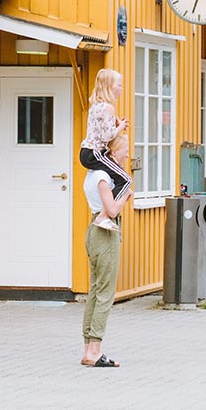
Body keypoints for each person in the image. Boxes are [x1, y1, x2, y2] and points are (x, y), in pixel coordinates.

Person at [81, 142, 126, 367]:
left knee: (95, 290)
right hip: (105, 233)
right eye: (125, 153)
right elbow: (112, 210)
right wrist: (126, 197)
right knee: (105, 292)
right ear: (113, 153)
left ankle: (88, 347)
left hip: (93, 230)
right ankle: (95, 350)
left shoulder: (92, 175)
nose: (126, 157)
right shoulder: (103, 178)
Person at [78, 69, 131, 207]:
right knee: (125, 180)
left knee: (117, 176)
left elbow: (101, 129)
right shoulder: (108, 107)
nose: (121, 88)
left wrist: (116, 123)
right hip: (95, 153)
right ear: (109, 87)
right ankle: (106, 212)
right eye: (119, 85)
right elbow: (108, 135)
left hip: (87, 151)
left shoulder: (96, 106)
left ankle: (106, 209)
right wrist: (121, 126)